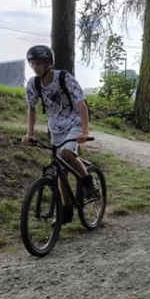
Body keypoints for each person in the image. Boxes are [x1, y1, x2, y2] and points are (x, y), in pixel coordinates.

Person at [21, 45, 97, 223]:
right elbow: (32, 109)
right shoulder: (34, 83)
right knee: (60, 169)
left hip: (75, 122)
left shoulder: (64, 78)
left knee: (67, 154)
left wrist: (85, 132)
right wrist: (29, 133)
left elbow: (81, 105)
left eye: (38, 63)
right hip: (55, 127)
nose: (34, 67)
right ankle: (67, 210)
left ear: (49, 63)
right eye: (32, 63)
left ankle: (88, 182)